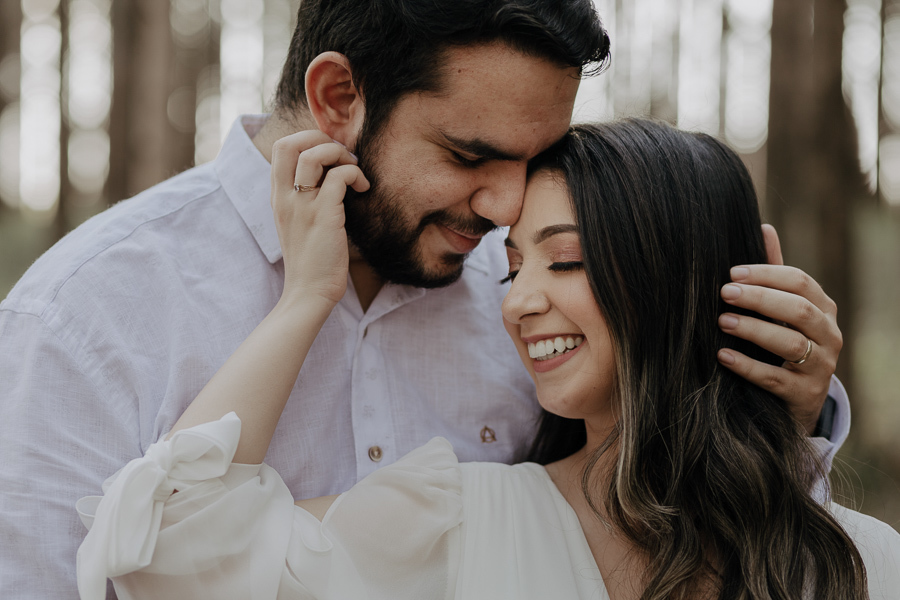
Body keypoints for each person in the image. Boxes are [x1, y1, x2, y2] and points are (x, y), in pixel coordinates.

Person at [0, 2, 847, 597]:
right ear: (339, 98)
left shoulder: (531, 302)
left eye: (533, 158)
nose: (507, 205)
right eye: (471, 153)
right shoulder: (82, 315)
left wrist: (782, 416)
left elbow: (685, 524)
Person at [76, 119, 899, 600]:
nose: (517, 301)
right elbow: (169, 545)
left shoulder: (862, 563)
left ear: (683, 278)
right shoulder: (455, 523)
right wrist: (306, 298)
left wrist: (787, 426)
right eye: (511, 267)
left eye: (565, 260)